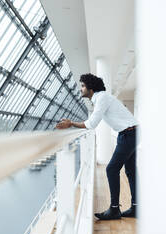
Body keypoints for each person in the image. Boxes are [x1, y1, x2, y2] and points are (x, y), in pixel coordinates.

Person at [56, 73, 138, 220]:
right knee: (130, 171)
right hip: (128, 133)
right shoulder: (101, 98)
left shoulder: (102, 98)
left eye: (82, 86)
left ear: (90, 87)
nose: (80, 89)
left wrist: (71, 124)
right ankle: (136, 208)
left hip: (129, 133)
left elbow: (91, 124)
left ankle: (114, 209)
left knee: (112, 169)